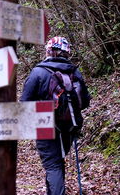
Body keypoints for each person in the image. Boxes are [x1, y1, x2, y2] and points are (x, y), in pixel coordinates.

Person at [21, 36, 90, 195]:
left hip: (45, 124)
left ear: (49, 51)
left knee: (53, 165)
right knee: (57, 163)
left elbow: (24, 103)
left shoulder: (38, 72)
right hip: (70, 125)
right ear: (67, 53)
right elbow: (84, 102)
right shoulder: (74, 72)